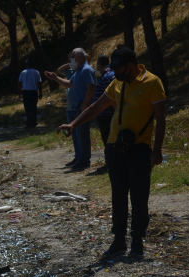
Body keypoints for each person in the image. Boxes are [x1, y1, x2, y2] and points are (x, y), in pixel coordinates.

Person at [57, 46, 166, 261]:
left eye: (119, 69)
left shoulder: (153, 82)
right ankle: (118, 241)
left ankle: (137, 241)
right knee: (118, 195)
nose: (115, 73)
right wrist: (74, 124)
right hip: (114, 147)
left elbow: (161, 119)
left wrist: (157, 150)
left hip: (139, 149)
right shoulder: (117, 82)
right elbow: (96, 107)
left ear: (132, 66)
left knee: (139, 196)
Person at [45, 48, 95, 171]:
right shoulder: (79, 70)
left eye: (73, 56)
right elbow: (69, 84)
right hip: (78, 107)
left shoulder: (86, 70)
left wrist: (85, 104)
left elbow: (91, 87)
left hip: (83, 107)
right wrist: (55, 78)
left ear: (79, 57)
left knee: (83, 134)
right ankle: (80, 158)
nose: (71, 59)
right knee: (79, 133)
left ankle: (84, 161)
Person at [92, 54, 115, 146]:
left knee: (108, 140)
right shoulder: (110, 75)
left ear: (100, 65)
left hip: (106, 114)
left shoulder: (106, 77)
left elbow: (109, 96)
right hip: (106, 113)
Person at [18, 60, 42, 128]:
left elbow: (19, 83)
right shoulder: (36, 72)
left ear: (26, 65)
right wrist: (40, 92)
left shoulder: (23, 72)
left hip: (25, 92)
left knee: (27, 108)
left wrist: (20, 93)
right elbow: (39, 83)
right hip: (34, 92)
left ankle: (29, 123)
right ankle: (33, 122)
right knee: (34, 107)